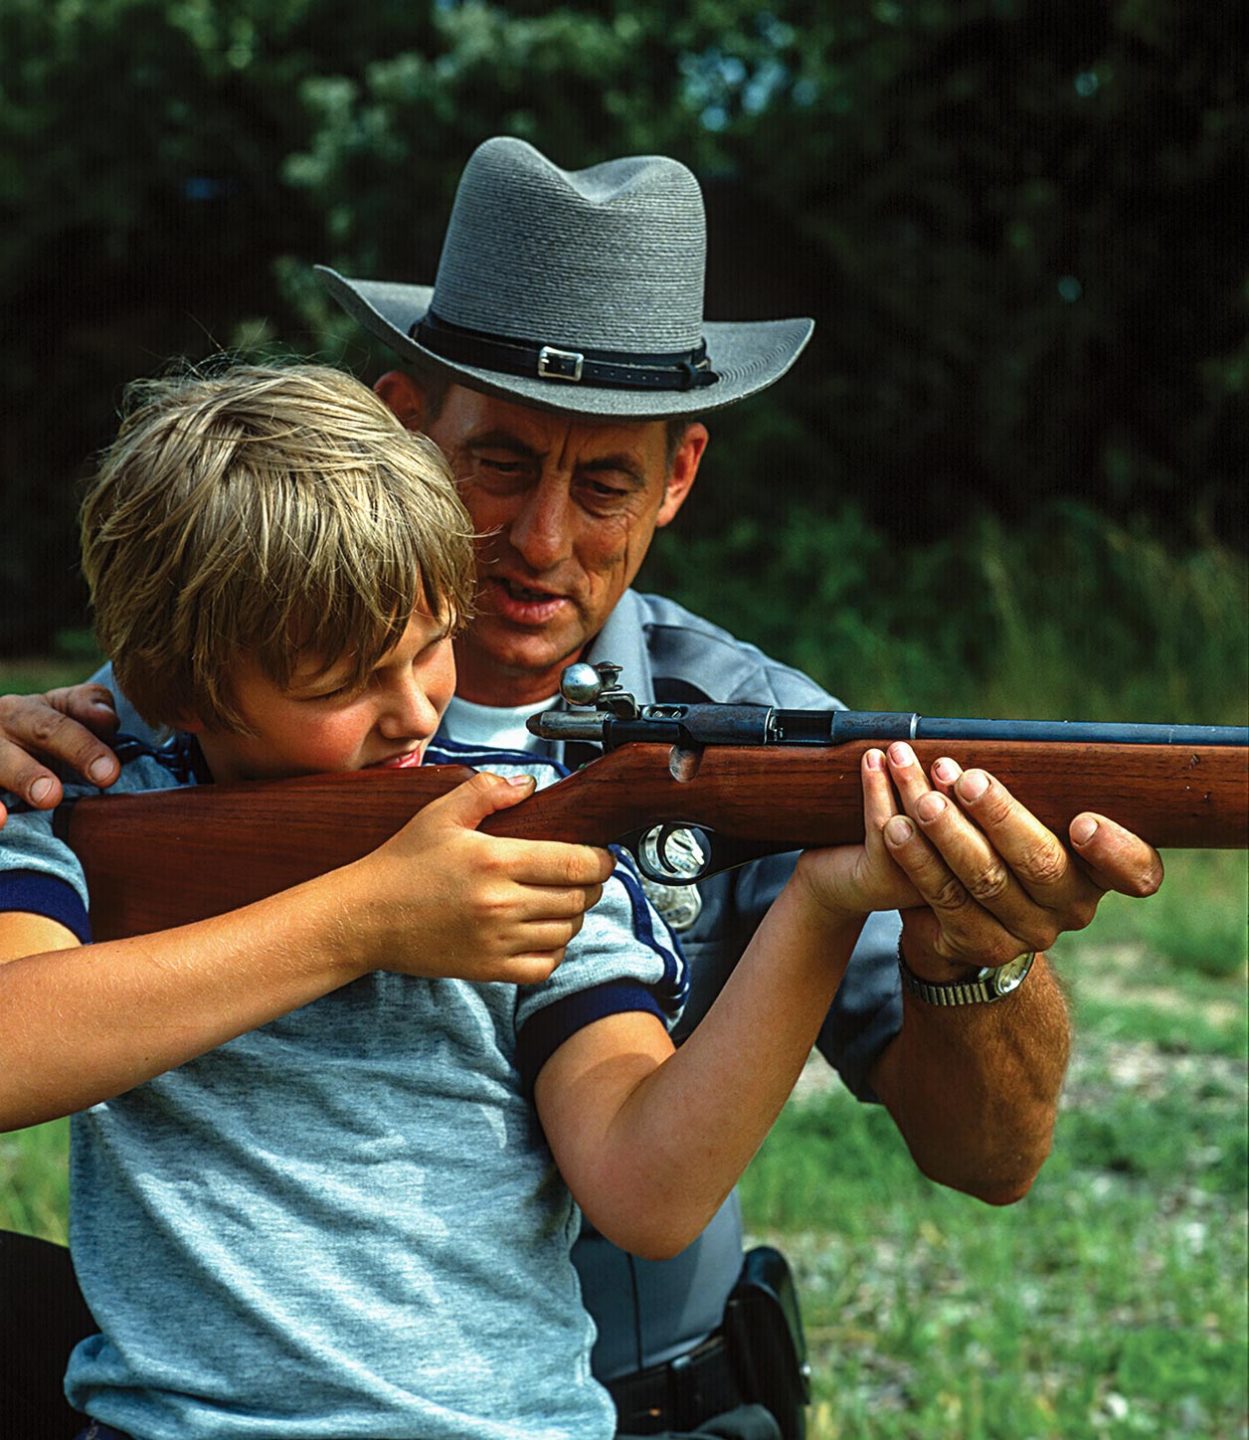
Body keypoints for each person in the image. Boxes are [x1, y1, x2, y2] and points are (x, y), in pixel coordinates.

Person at [0, 140, 1163, 1438]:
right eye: (499, 464)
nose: (542, 540)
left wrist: (965, 945)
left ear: (676, 477)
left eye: (603, 478)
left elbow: (971, 1163)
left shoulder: (753, 733)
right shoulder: (135, 735)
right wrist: (369, 914)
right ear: (404, 421)